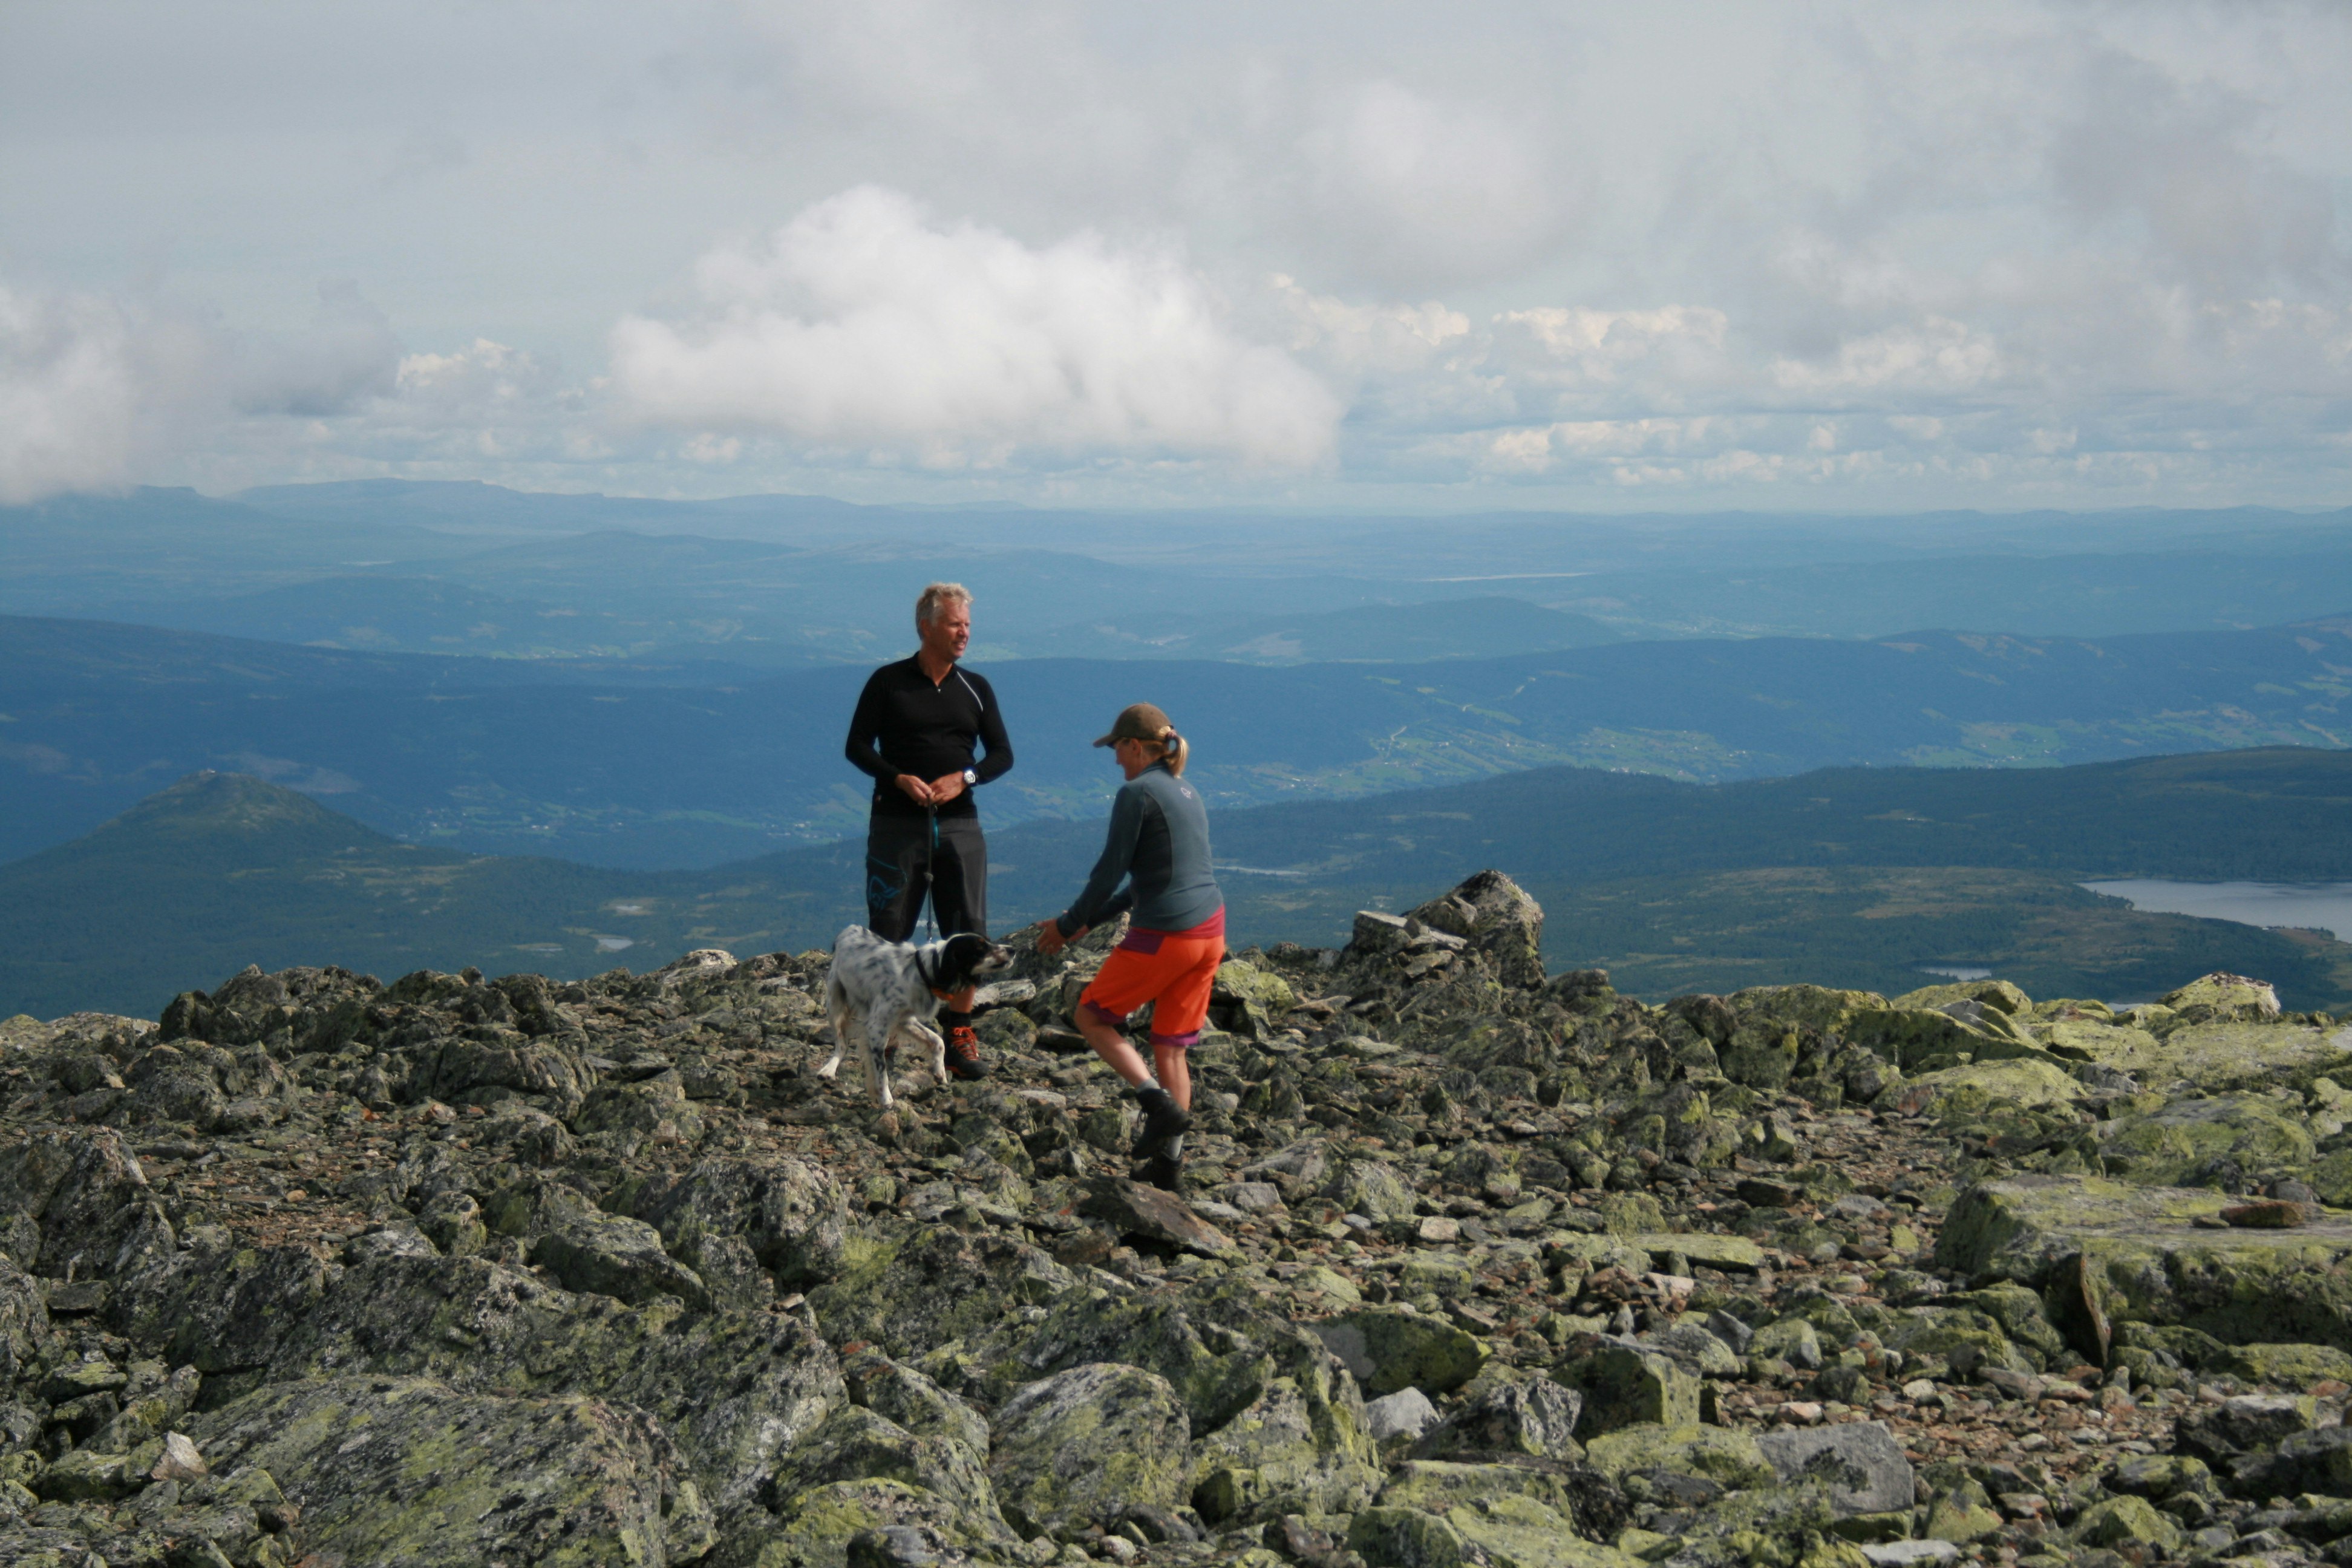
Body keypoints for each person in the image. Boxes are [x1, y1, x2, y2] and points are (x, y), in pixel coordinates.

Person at [1037, 702, 1224, 1190]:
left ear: (1136, 747)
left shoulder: (1137, 793)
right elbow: (1141, 884)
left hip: (1167, 934)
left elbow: (1109, 872)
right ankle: (1170, 1168)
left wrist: (1067, 923)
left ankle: (1154, 1103)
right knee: (1170, 1047)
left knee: (1091, 1016)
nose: (1115, 759)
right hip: (1210, 933)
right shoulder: (1186, 791)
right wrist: (1085, 923)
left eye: (1118, 748)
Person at [843, 582, 1013, 1080]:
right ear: (926, 627)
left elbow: (1002, 755)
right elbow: (856, 746)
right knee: (888, 933)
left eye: (967, 625)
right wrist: (896, 777)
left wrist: (965, 777)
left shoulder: (975, 687)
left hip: (959, 822)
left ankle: (959, 1033)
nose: (964, 633)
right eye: (955, 624)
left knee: (969, 931)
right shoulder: (888, 683)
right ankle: (884, 1037)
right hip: (897, 822)